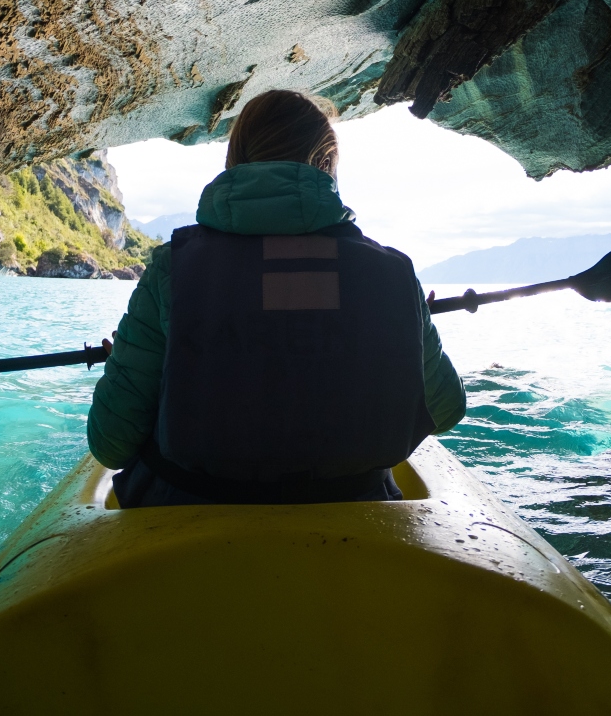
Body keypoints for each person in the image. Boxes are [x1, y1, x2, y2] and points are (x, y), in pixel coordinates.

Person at [87, 89, 467, 507]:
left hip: (188, 522)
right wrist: (412, 326)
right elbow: (446, 410)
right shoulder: (393, 274)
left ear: (236, 160)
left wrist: (128, 362)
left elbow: (111, 445)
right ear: (326, 166)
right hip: (355, 519)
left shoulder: (170, 271)